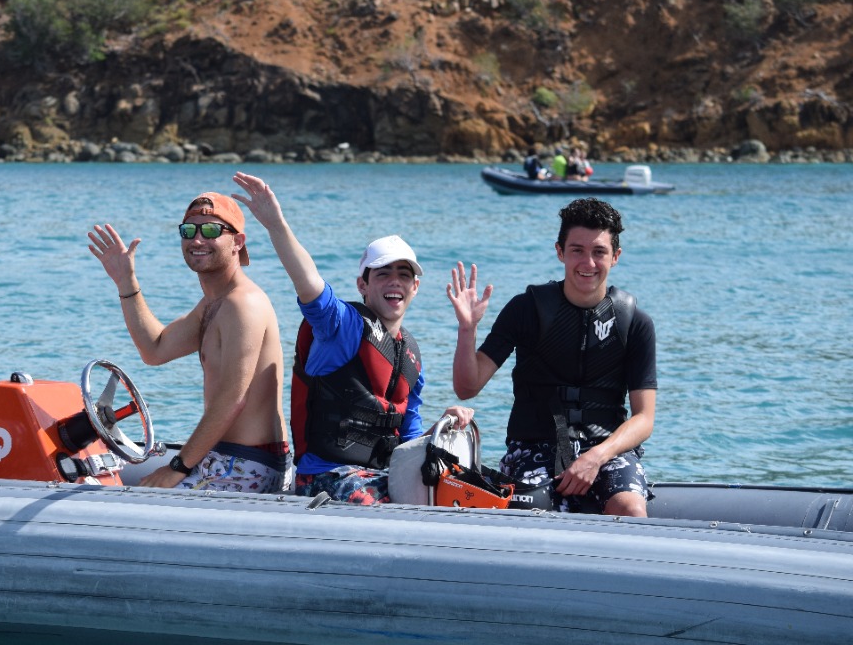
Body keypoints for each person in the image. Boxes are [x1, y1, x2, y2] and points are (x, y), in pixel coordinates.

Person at [232, 172, 473, 505]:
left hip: (379, 475)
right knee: (387, 506)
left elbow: (409, 444)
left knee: (459, 490)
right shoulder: (342, 325)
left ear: (415, 287)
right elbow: (308, 282)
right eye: (383, 273)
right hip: (326, 477)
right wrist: (276, 225)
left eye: (404, 275)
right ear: (363, 284)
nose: (395, 282)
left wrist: (445, 425)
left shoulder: (411, 358)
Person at [447, 198, 656, 517]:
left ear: (615, 256)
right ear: (560, 252)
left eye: (599, 252)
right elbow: (467, 387)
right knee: (532, 511)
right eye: (577, 250)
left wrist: (597, 456)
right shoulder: (525, 310)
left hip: (607, 450)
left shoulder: (634, 323)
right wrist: (467, 329)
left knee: (630, 509)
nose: (588, 262)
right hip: (533, 447)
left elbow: (644, 419)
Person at [88, 191, 290, 493]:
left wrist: (178, 467)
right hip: (223, 457)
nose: (197, 239)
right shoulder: (213, 304)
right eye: (188, 230)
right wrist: (125, 281)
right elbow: (155, 350)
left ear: (238, 241)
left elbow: (233, 398)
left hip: (247, 464)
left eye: (210, 230)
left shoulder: (243, 304)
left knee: (134, 508)